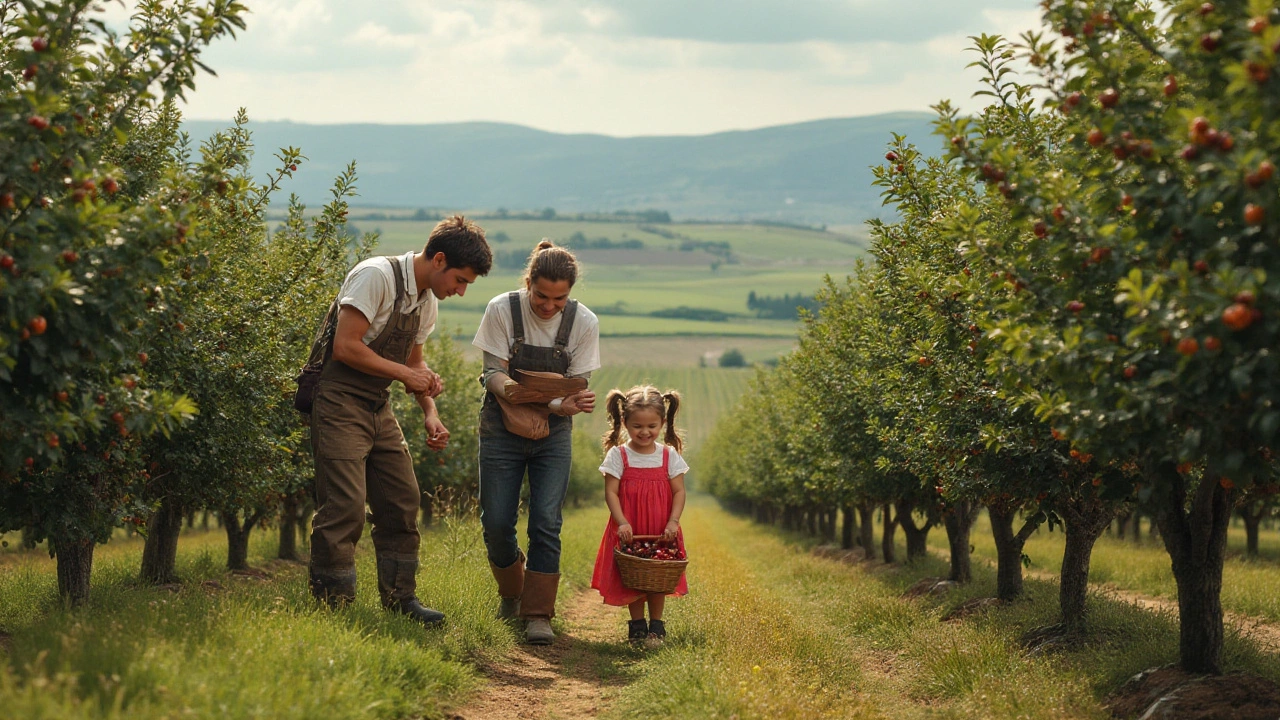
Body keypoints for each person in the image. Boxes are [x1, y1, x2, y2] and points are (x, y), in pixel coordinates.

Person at [307, 215, 492, 627]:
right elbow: (346, 347)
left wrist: (431, 413)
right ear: (438, 259)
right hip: (337, 400)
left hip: (377, 402)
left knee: (401, 499)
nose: (460, 291)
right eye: (460, 280)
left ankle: (400, 599)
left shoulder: (425, 300)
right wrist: (408, 376)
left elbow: (415, 364)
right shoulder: (376, 276)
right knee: (345, 507)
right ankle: (332, 607)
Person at [473, 239, 600, 644]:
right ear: (528, 282)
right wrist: (551, 398)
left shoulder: (584, 322)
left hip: (554, 436)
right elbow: (491, 373)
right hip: (500, 430)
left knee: (546, 522)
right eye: (541, 295)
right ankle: (512, 591)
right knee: (496, 523)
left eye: (559, 299)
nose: (549, 306)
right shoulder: (501, 309)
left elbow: (579, 385)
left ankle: (538, 613)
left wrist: (538, 395)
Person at [590, 385, 689, 643]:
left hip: (660, 525)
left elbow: (679, 492)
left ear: (663, 423)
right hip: (629, 526)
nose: (645, 432)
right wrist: (621, 522)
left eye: (652, 426)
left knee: (657, 572)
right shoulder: (618, 455)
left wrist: (673, 521)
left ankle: (656, 627)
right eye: (637, 426)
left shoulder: (669, 456)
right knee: (632, 574)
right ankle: (637, 626)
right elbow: (611, 492)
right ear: (624, 423)